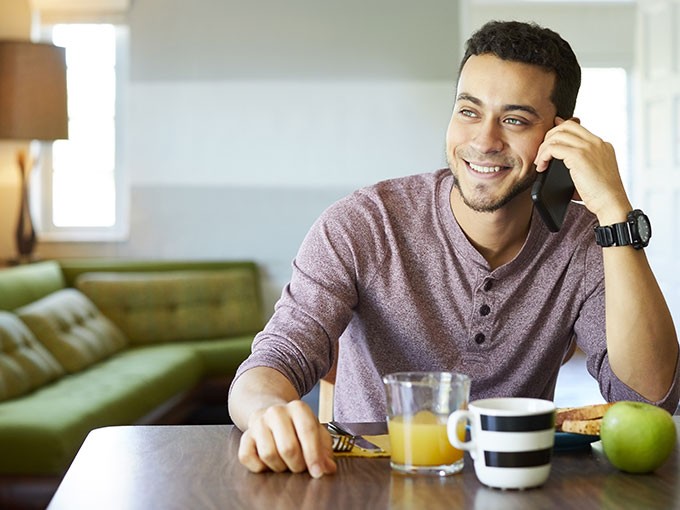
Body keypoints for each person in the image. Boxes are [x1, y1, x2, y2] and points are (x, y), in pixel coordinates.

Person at [228, 20, 679, 479]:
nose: (484, 141)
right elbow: (273, 361)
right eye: (468, 111)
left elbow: (649, 401)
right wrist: (267, 412)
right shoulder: (363, 223)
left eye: (515, 119)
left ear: (563, 135)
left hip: (515, 483)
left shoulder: (587, 241)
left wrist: (615, 213)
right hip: (368, 481)